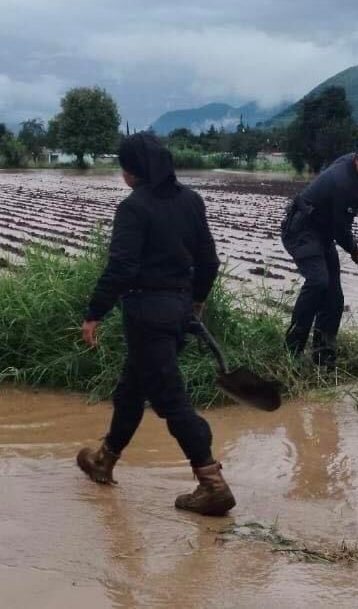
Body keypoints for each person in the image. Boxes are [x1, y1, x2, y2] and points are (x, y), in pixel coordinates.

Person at [75, 133, 233, 516]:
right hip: (178, 311)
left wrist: (94, 312)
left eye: (124, 168)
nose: (123, 175)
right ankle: (104, 460)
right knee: (131, 389)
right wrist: (195, 301)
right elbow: (209, 262)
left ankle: (212, 482)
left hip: (147, 315)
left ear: (135, 171)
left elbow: (122, 268)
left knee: (170, 400)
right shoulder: (191, 201)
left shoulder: (134, 208)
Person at [281, 135, 358, 366]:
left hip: (322, 232)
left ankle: (324, 358)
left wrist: (351, 247)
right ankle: (291, 353)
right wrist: (354, 250)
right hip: (302, 230)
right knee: (318, 282)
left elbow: (336, 227)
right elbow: (341, 230)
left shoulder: (352, 166)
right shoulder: (346, 184)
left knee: (334, 298)